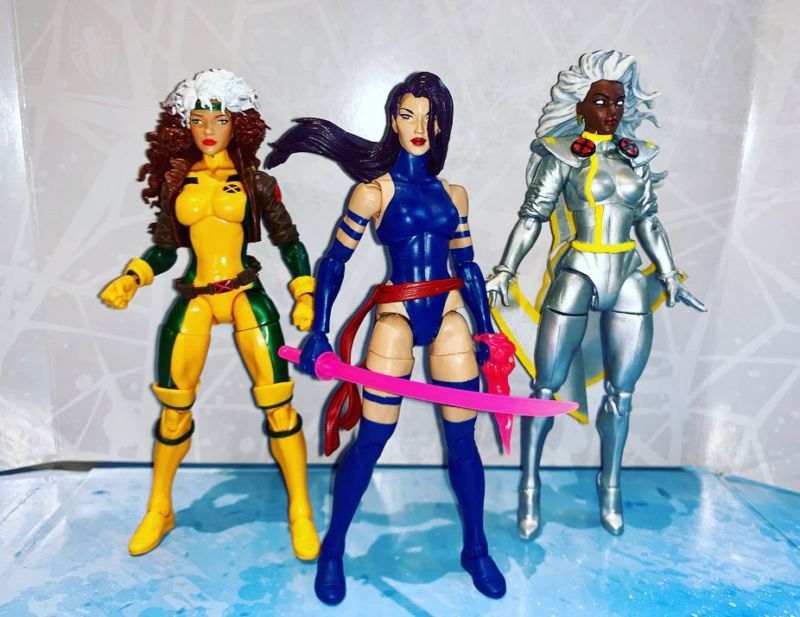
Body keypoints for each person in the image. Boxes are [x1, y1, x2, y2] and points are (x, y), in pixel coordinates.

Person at [267, 71, 506, 604]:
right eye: (407, 114)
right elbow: (334, 262)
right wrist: (319, 332)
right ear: (393, 121)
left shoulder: (454, 194)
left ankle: (475, 548)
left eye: (429, 117)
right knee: (372, 439)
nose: (418, 126)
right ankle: (333, 548)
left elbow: (467, 266)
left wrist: (488, 330)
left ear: (441, 125)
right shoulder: (374, 192)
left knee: (463, 440)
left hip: (448, 314)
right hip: (397, 313)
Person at [100, 69, 319, 560]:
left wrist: (304, 293)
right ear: (185, 124)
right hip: (197, 294)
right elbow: (164, 248)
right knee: (174, 407)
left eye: (219, 119)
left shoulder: (255, 182)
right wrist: (133, 277)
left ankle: (300, 511)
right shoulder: (179, 181)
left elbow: (290, 242)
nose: (208, 129)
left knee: (278, 403)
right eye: (198, 119)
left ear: (237, 123)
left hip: (243, 292)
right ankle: (160, 507)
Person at [486, 51, 706, 538]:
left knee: (622, 396)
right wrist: (505, 269)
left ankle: (611, 487)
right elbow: (532, 216)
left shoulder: (636, 156)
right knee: (545, 389)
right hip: (579, 268)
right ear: (581, 106)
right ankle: (530, 489)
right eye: (602, 101)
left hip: (626, 272)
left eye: (618, 102)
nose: (612, 111)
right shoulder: (563, 154)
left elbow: (649, 219)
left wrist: (669, 272)